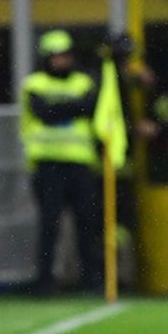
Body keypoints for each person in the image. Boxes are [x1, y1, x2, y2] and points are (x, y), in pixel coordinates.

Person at [20, 29, 103, 294]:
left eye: (65, 55)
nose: (62, 60)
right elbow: (44, 112)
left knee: (87, 223)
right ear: (46, 58)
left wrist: (61, 108)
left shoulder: (83, 82)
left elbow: (87, 108)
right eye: (56, 56)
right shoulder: (35, 84)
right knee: (49, 225)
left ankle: (91, 279)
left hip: (80, 164)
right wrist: (74, 107)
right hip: (48, 164)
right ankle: (45, 281)